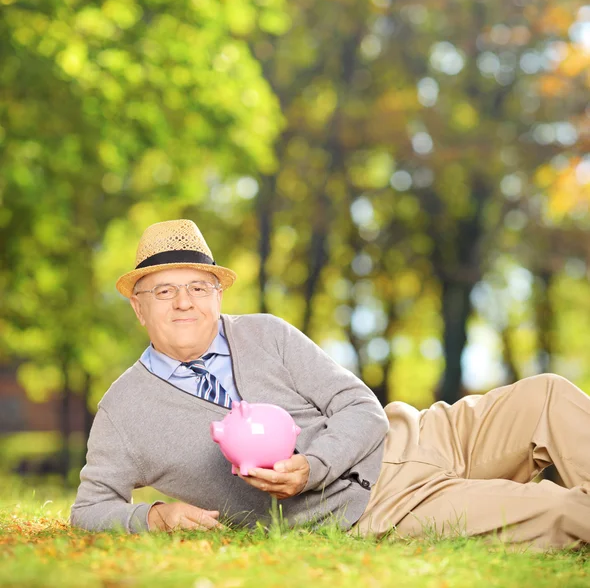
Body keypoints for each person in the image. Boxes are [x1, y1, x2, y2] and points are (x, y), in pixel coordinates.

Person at [71, 219, 590, 549]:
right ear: (138, 308)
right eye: (163, 291)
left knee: (547, 394)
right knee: (562, 512)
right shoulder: (124, 409)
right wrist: (156, 517)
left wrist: (312, 467)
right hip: (379, 509)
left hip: (421, 435)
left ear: (217, 295)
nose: (184, 302)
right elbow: (90, 509)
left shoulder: (267, 334)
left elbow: (359, 404)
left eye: (197, 287)